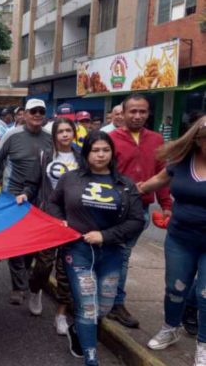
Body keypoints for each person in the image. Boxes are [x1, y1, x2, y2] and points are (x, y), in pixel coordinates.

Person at [47, 131, 145, 366]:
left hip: (112, 253)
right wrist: (61, 222)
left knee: (103, 307)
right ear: (86, 153)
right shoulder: (70, 179)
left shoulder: (125, 184)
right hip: (78, 251)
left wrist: (105, 235)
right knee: (88, 308)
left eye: (106, 150)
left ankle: (77, 331)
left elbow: (136, 220)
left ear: (112, 153)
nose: (101, 155)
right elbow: (52, 203)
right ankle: (91, 358)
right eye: (95, 150)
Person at [137, 117, 206, 365]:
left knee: (205, 294)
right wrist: (129, 190)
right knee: (175, 289)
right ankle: (171, 328)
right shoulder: (181, 162)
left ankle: (203, 344)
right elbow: (156, 181)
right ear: (197, 139)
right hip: (180, 239)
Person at [107, 94, 172, 328]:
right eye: (132, 111)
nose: (137, 116)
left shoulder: (156, 140)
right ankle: (110, 300)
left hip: (140, 210)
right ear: (122, 113)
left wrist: (166, 205)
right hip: (112, 208)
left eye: (142, 111)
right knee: (113, 255)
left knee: (122, 256)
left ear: (148, 113)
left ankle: (115, 302)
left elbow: (163, 174)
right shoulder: (110, 139)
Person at [0, 98, 52, 305]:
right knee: (16, 241)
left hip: (39, 195)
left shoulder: (50, 137)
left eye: (41, 111)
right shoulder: (12, 135)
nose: (37, 115)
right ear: (25, 114)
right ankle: (18, 287)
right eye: (33, 111)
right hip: (13, 195)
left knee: (31, 244)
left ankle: (25, 280)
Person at [17, 117, 79, 335]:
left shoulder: (83, 157)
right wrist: (25, 194)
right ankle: (35, 290)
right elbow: (32, 183)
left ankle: (61, 315)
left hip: (75, 220)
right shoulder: (44, 155)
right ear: (54, 135)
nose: (64, 134)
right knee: (43, 264)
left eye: (68, 130)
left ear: (74, 133)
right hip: (48, 218)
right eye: (60, 131)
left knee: (66, 269)